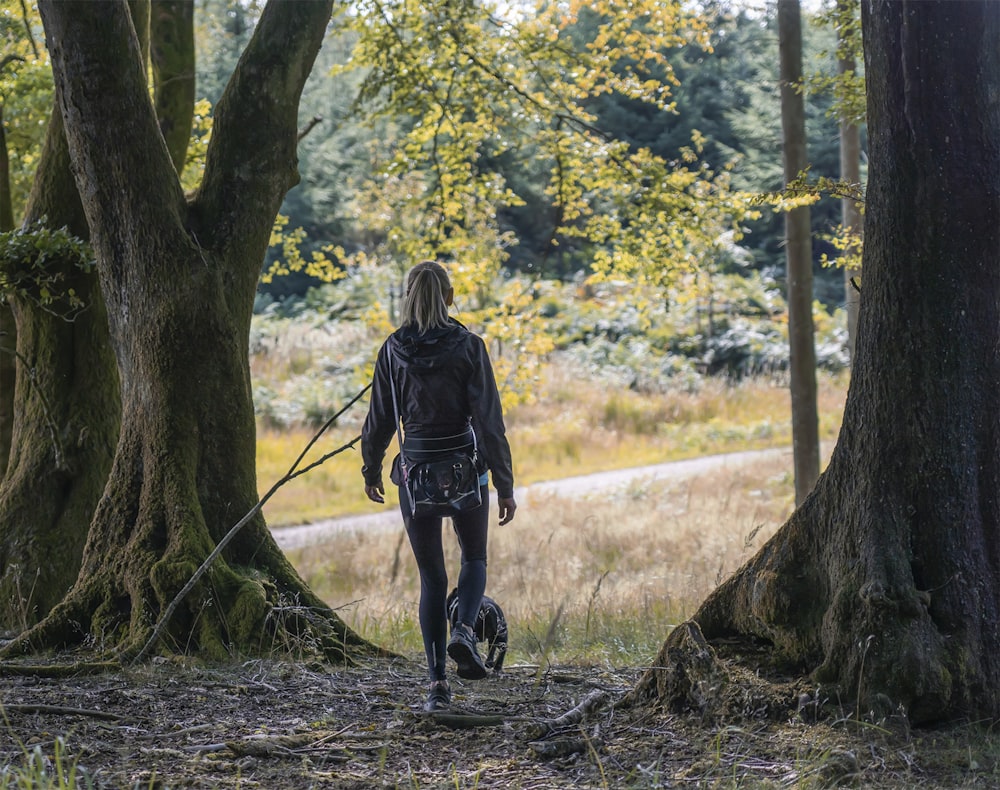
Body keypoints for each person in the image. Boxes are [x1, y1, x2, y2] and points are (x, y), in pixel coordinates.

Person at [361, 260, 517, 713]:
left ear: (407, 297)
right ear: (449, 297)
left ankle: (436, 687)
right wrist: (504, 485)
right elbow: (490, 423)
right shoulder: (470, 346)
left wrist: (372, 471)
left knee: (432, 577)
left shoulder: (392, 350)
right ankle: (465, 631)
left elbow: (380, 421)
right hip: (467, 471)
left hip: (415, 474)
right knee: (474, 558)